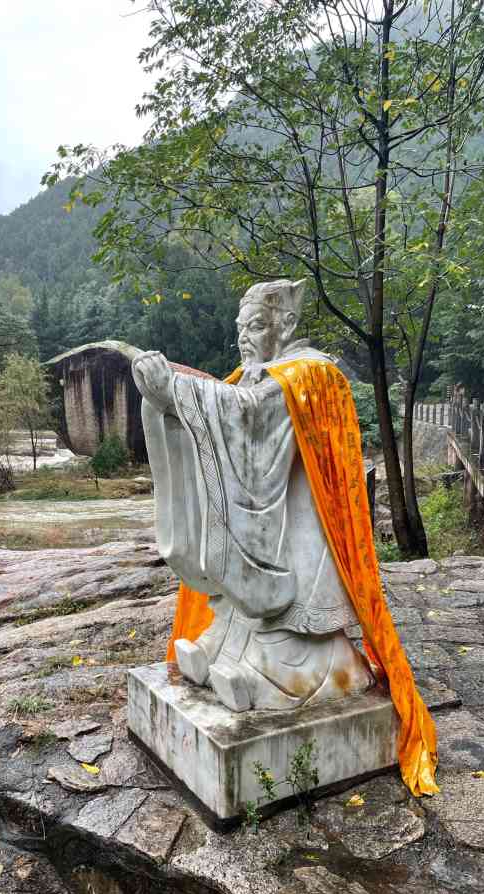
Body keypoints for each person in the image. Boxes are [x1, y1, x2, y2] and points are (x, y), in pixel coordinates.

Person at [132, 278, 438, 796]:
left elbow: (247, 420)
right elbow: (227, 412)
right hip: (276, 521)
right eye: (240, 329)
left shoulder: (310, 373)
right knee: (240, 603)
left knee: (290, 615)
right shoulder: (257, 376)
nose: (243, 340)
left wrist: (179, 391)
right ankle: (229, 646)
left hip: (307, 528)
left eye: (254, 327)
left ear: (286, 325)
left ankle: (283, 672)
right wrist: (168, 405)